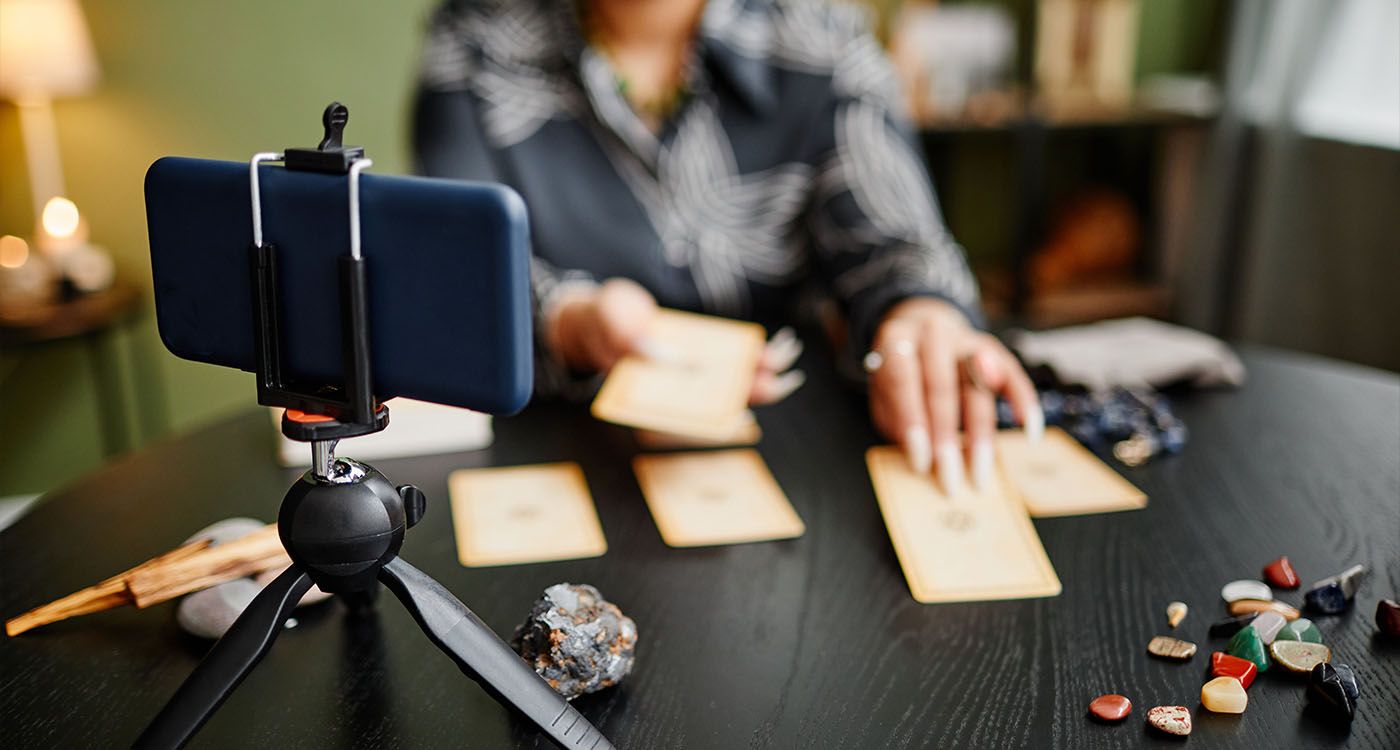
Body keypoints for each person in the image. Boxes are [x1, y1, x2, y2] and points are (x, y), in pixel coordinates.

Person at [413, 0, 1042, 494]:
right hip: (554, 447)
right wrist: (572, 321)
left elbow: (896, 245)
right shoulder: (472, 39)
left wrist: (922, 311)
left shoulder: (827, 42)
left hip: (793, 452)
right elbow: (459, 270)